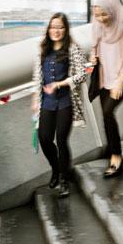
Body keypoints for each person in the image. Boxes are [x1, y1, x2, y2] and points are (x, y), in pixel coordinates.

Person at [31, 12, 89, 198]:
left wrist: (61, 83)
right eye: (53, 27)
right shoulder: (42, 49)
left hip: (66, 101)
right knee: (45, 138)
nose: (56, 31)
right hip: (47, 102)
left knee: (62, 140)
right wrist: (35, 98)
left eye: (60, 27)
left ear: (66, 29)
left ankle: (64, 180)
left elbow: (82, 74)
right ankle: (56, 169)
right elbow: (37, 77)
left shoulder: (73, 49)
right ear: (48, 29)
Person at [90, 0, 123, 178]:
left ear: (113, 11)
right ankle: (112, 148)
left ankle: (116, 156)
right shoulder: (98, 27)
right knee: (105, 115)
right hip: (105, 78)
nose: (101, 19)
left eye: (105, 14)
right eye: (97, 15)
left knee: (107, 112)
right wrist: (92, 56)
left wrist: (120, 81)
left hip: (122, 79)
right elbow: (95, 47)